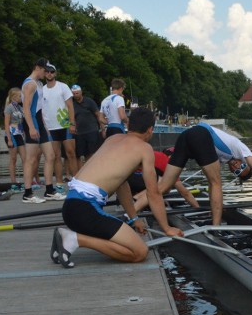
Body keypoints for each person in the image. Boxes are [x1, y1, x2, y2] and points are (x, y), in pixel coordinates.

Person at [51, 107, 184, 268]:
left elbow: (122, 184)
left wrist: (134, 218)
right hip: (86, 211)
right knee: (140, 252)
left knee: (130, 243)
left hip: (71, 207)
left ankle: (72, 238)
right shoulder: (144, 149)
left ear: (129, 123)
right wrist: (167, 228)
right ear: (150, 130)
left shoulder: (112, 139)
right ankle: (75, 239)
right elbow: (153, 192)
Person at [133, 122, 252, 225]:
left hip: (186, 136)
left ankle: (131, 213)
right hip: (200, 134)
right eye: (241, 166)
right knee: (216, 183)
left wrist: (213, 205)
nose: (236, 167)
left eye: (237, 171)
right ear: (245, 162)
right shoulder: (242, 150)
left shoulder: (225, 159)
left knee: (164, 187)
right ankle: (216, 227)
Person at [21, 58, 65, 203]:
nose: (46, 73)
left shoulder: (38, 84)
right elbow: (26, 108)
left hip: (40, 122)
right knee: (31, 159)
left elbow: (40, 107)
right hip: (31, 123)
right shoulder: (30, 84)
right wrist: (32, 127)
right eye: (45, 70)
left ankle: (49, 190)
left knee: (51, 155)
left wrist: (43, 126)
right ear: (38, 68)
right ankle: (27, 193)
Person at [41, 63, 77, 186]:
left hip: (65, 125)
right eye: (47, 72)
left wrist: (72, 123)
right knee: (56, 156)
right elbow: (40, 110)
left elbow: (70, 105)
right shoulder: (42, 90)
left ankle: (77, 181)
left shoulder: (63, 87)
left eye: (51, 72)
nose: (49, 74)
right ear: (44, 74)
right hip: (50, 128)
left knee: (71, 153)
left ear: (55, 73)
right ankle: (59, 183)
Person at [130, 149, 200, 209]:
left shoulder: (157, 155)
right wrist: (197, 207)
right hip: (132, 178)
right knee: (165, 183)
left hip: (126, 179)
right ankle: (137, 200)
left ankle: (139, 200)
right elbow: (184, 192)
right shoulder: (167, 162)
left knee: (161, 183)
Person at [70, 84, 104, 167]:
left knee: (92, 152)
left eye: (77, 93)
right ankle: (83, 173)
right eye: (73, 94)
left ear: (81, 92)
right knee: (81, 154)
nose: (75, 95)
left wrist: (102, 127)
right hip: (80, 133)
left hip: (92, 130)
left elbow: (98, 114)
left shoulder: (89, 101)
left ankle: (92, 170)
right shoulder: (72, 105)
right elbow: (72, 117)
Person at [3, 87, 26, 185]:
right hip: (12, 135)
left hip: (19, 134)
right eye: (20, 96)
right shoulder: (9, 108)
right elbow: (6, 124)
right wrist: (9, 139)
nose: (22, 97)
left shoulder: (19, 107)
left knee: (25, 158)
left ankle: (27, 180)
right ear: (14, 97)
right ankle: (13, 181)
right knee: (13, 158)